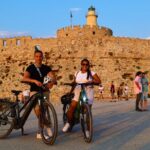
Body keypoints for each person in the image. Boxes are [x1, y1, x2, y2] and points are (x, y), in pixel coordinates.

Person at [22, 48, 56, 139]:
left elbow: (53, 77)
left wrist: (51, 83)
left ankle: (39, 132)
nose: (38, 58)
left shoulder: (46, 68)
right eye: (37, 56)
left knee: (44, 110)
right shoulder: (30, 68)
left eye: (40, 56)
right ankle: (47, 126)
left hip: (44, 91)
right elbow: (24, 78)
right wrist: (34, 81)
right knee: (38, 110)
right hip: (34, 91)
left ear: (42, 57)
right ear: (34, 57)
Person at [62, 58, 101, 134]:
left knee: (88, 113)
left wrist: (92, 81)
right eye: (83, 64)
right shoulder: (77, 73)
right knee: (70, 110)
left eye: (86, 64)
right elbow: (74, 83)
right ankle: (69, 123)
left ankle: (88, 131)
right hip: (77, 92)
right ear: (81, 64)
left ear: (88, 65)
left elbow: (99, 81)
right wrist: (70, 92)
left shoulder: (92, 73)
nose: (85, 66)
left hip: (88, 93)